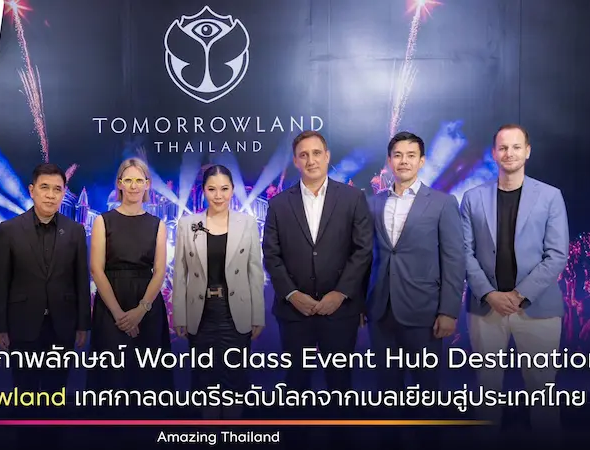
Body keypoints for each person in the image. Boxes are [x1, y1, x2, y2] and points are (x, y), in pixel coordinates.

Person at [461, 124, 569, 434]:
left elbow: (557, 254)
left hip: (538, 308)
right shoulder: (472, 198)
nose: (509, 153)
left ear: (528, 152)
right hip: (486, 308)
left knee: (542, 391)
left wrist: (520, 294)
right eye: (503, 147)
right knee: (486, 389)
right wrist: (489, 293)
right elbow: (464, 252)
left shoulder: (550, 196)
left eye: (516, 147)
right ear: (494, 153)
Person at [262, 130, 373, 413]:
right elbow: (271, 255)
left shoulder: (352, 198)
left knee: (340, 385)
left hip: (340, 311)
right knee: (295, 384)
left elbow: (362, 250)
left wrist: (341, 293)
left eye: (316, 153)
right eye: (303, 155)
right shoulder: (278, 203)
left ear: (327, 156)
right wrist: (291, 294)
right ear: (295, 161)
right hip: (294, 312)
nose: (310, 160)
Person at [366, 132, 465, 422]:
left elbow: (454, 259)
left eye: (411, 155)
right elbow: (364, 258)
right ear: (389, 161)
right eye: (398, 155)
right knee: (386, 393)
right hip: (380, 311)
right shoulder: (372, 203)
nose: (404, 161)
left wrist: (448, 311)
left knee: (427, 392)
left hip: (424, 312)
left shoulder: (443, 203)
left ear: (421, 161)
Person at [172, 165, 265, 419]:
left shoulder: (247, 223)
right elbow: (180, 273)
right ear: (203, 191)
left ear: (232, 190)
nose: (218, 195)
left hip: (235, 312)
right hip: (200, 312)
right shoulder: (187, 224)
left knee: (235, 379)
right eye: (212, 189)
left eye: (224, 189)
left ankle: (233, 434)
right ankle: (209, 433)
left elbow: (255, 271)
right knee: (204, 381)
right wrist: (179, 315)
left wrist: (258, 314)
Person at [0, 163, 90, 393]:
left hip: (62, 325)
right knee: (24, 392)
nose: (51, 195)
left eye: (57, 189)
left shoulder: (75, 231)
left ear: (63, 194)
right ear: (32, 190)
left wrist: (83, 324)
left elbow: (81, 280)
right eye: (45, 187)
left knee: (56, 393)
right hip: (22, 325)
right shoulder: (9, 230)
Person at [87, 158, 174, 404]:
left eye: (139, 180)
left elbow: (159, 271)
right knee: (111, 379)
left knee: (147, 379)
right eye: (128, 180)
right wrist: (119, 314)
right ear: (119, 184)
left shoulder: (158, 225)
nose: (134, 186)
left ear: (147, 184)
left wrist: (141, 310)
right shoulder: (103, 221)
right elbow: (96, 270)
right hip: (110, 304)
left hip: (147, 306)